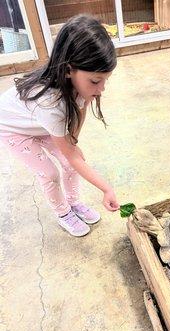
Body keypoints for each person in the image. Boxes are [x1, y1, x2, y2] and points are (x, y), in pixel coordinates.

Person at [0, 14, 120, 237]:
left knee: (70, 159)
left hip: (41, 124)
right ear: (67, 69)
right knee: (49, 172)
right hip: (14, 129)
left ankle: (73, 203)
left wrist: (73, 141)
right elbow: (73, 154)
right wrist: (106, 188)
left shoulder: (78, 87)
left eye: (105, 80)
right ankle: (63, 213)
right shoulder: (50, 104)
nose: (101, 88)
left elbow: (80, 109)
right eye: (95, 81)